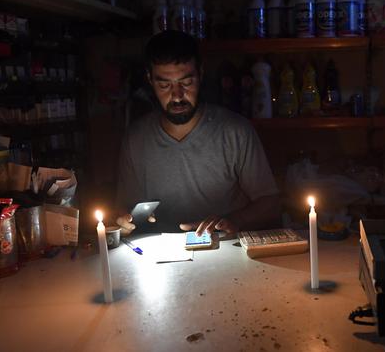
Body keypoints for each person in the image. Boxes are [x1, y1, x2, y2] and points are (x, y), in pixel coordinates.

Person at [115, 30, 281, 236]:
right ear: (150, 80)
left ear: (200, 74)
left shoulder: (235, 132)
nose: (177, 96)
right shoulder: (136, 139)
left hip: (226, 253)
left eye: (186, 83)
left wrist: (233, 221)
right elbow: (125, 208)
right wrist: (123, 220)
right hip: (162, 257)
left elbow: (271, 205)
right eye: (165, 85)